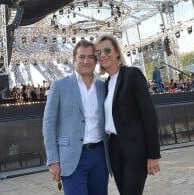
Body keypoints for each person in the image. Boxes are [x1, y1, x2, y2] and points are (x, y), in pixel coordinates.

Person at [94, 34, 161, 195]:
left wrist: (153, 155)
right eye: (98, 53)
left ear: (117, 52)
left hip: (135, 148)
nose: (103, 55)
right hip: (114, 148)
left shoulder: (132, 75)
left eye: (107, 50)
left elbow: (149, 116)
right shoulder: (106, 84)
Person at [43, 39, 111, 195]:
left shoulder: (103, 87)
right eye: (81, 57)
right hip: (72, 157)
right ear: (74, 60)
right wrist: (53, 160)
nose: (86, 61)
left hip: (100, 156)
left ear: (96, 60)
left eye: (90, 57)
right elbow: (49, 124)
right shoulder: (59, 86)